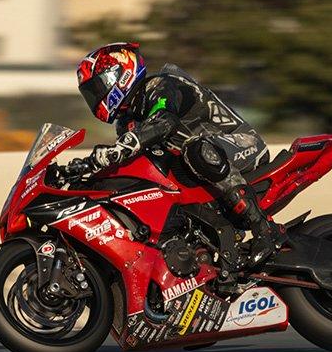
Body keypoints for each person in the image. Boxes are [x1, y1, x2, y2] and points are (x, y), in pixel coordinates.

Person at [69, 42, 286, 270]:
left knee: (197, 149)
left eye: (97, 88)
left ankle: (264, 229)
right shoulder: (127, 121)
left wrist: (119, 149)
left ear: (120, 74)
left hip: (242, 146)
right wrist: (85, 172)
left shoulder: (161, 86)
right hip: (197, 173)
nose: (95, 97)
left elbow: (164, 121)